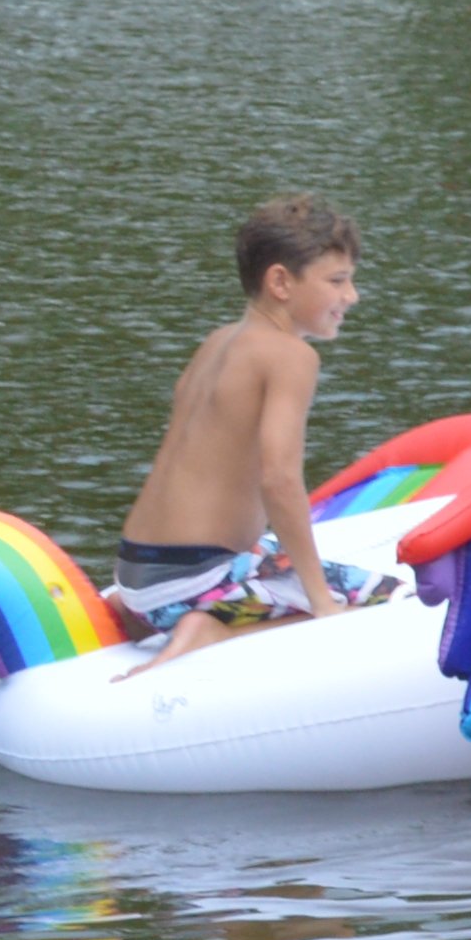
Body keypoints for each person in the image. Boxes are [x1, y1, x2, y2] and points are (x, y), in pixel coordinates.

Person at [118, 195, 367, 658]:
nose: (350, 296)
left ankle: (179, 611)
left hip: (137, 573)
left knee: (286, 560)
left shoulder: (217, 343)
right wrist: (320, 603)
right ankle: (212, 631)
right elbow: (279, 478)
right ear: (280, 281)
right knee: (384, 597)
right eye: (337, 281)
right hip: (191, 580)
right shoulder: (291, 355)